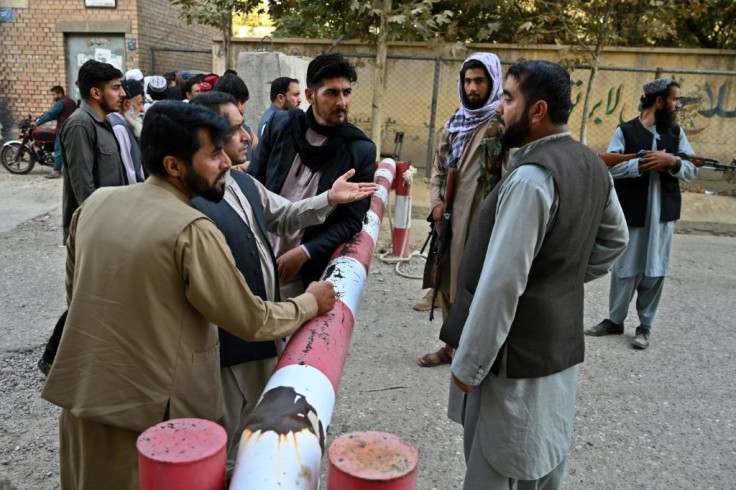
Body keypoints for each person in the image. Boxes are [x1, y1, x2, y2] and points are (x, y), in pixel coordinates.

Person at [41, 101, 338, 490]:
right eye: (213, 154)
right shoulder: (191, 228)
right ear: (174, 165)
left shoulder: (95, 204)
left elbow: (75, 294)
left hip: (82, 402)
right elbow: (251, 319)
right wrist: (311, 302)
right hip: (152, 420)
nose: (226, 163)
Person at [441, 60, 628, 489]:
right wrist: (558, 282)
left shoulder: (531, 178)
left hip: (514, 363)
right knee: (542, 461)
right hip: (556, 353)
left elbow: (503, 284)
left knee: (499, 466)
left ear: (538, 110)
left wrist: (467, 365)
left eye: (508, 98)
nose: (499, 108)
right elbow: (615, 241)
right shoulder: (591, 163)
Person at [190, 91, 377, 471]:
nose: (249, 137)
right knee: (221, 449)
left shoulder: (242, 184)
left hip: (262, 338)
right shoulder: (190, 204)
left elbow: (286, 215)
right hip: (221, 353)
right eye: (237, 129)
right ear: (207, 138)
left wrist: (330, 197)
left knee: (257, 434)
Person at [247, 53, 377, 299]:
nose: (342, 102)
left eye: (347, 92)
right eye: (332, 93)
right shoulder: (282, 126)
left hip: (300, 272)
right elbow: (254, 183)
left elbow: (350, 222)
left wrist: (305, 252)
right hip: (256, 252)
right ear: (310, 96)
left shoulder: (359, 150)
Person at [585, 78, 698, 349]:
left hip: (662, 216)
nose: (678, 105)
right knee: (625, 269)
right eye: (675, 99)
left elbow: (692, 170)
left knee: (655, 271)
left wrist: (672, 162)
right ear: (659, 101)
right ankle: (615, 320)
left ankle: (645, 326)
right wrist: (642, 163)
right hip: (632, 212)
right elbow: (609, 167)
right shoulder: (625, 131)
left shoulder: (676, 133)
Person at [417, 52, 506, 367]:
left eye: (479, 81)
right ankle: (451, 346)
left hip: (482, 218)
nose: (472, 88)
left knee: (476, 285)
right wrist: (437, 203)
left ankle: (474, 350)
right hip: (450, 218)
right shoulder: (455, 121)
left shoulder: (500, 123)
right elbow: (439, 168)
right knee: (447, 281)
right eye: (468, 81)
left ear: (492, 82)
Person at [60, 59, 127, 244]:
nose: (122, 93)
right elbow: (84, 189)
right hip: (96, 232)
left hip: (111, 225)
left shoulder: (103, 121)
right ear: (96, 93)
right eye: (115, 88)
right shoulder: (80, 124)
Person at [213, 73, 258, 162]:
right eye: (234, 130)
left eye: (242, 102)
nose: (240, 108)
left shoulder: (248, 132)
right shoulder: (212, 132)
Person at [34, 85, 76, 179]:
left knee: (58, 150)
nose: (52, 97)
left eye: (54, 95)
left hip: (63, 130)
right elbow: (56, 115)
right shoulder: (70, 101)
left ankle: (56, 171)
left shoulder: (60, 103)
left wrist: (38, 122)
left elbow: (51, 114)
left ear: (60, 94)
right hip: (72, 129)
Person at [108, 79, 145, 184]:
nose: (142, 109)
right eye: (139, 104)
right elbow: (128, 171)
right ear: (126, 104)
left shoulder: (124, 124)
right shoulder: (119, 128)